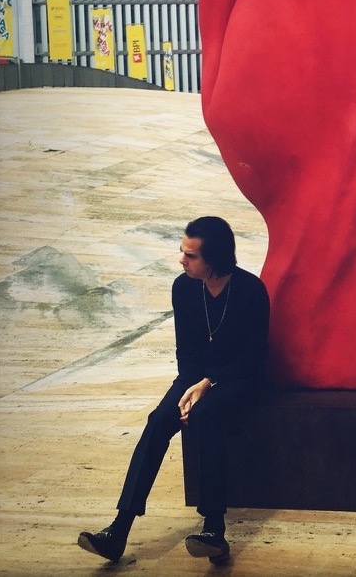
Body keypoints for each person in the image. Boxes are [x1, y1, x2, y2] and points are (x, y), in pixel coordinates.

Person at [78, 216, 270, 564]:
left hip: (239, 378)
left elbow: (253, 357)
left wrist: (208, 384)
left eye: (191, 255)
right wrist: (190, 387)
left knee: (206, 416)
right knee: (157, 421)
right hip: (195, 378)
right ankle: (118, 530)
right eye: (182, 252)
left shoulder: (250, 290)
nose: (182, 260)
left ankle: (214, 531)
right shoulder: (183, 288)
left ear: (215, 258)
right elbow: (186, 351)